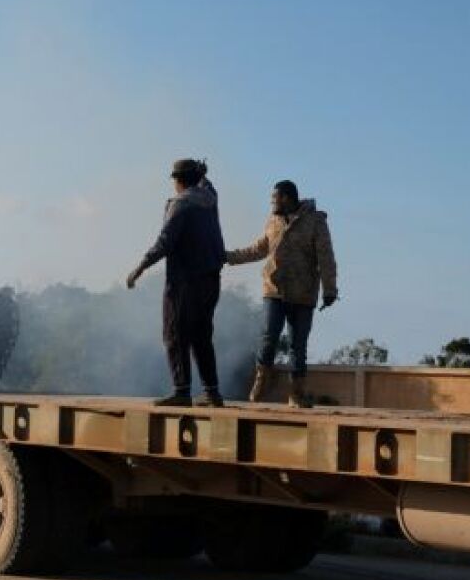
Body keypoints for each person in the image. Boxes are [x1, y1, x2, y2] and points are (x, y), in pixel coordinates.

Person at [226, 180, 338, 407]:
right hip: (274, 289)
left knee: (298, 345)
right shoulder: (273, 220)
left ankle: (296, 393)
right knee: (269, 336)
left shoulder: (315, 221)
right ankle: (261, 381)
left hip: (303, 292)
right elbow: (260, 248)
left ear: (286, 198)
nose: (272, 203)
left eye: (274, 198)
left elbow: (326, 256)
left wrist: (330, 289)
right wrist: (229, 257)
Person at [127, 159, 227, 407]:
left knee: (175, 333)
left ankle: (181, 391)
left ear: (178, 180)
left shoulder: (181, 204)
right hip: (211, 278)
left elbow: (165, 242)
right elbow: (208, 185)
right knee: (202, 335)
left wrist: (140, 267)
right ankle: (212, 392)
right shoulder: (210, 198)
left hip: (184, 281)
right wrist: (203, 175)